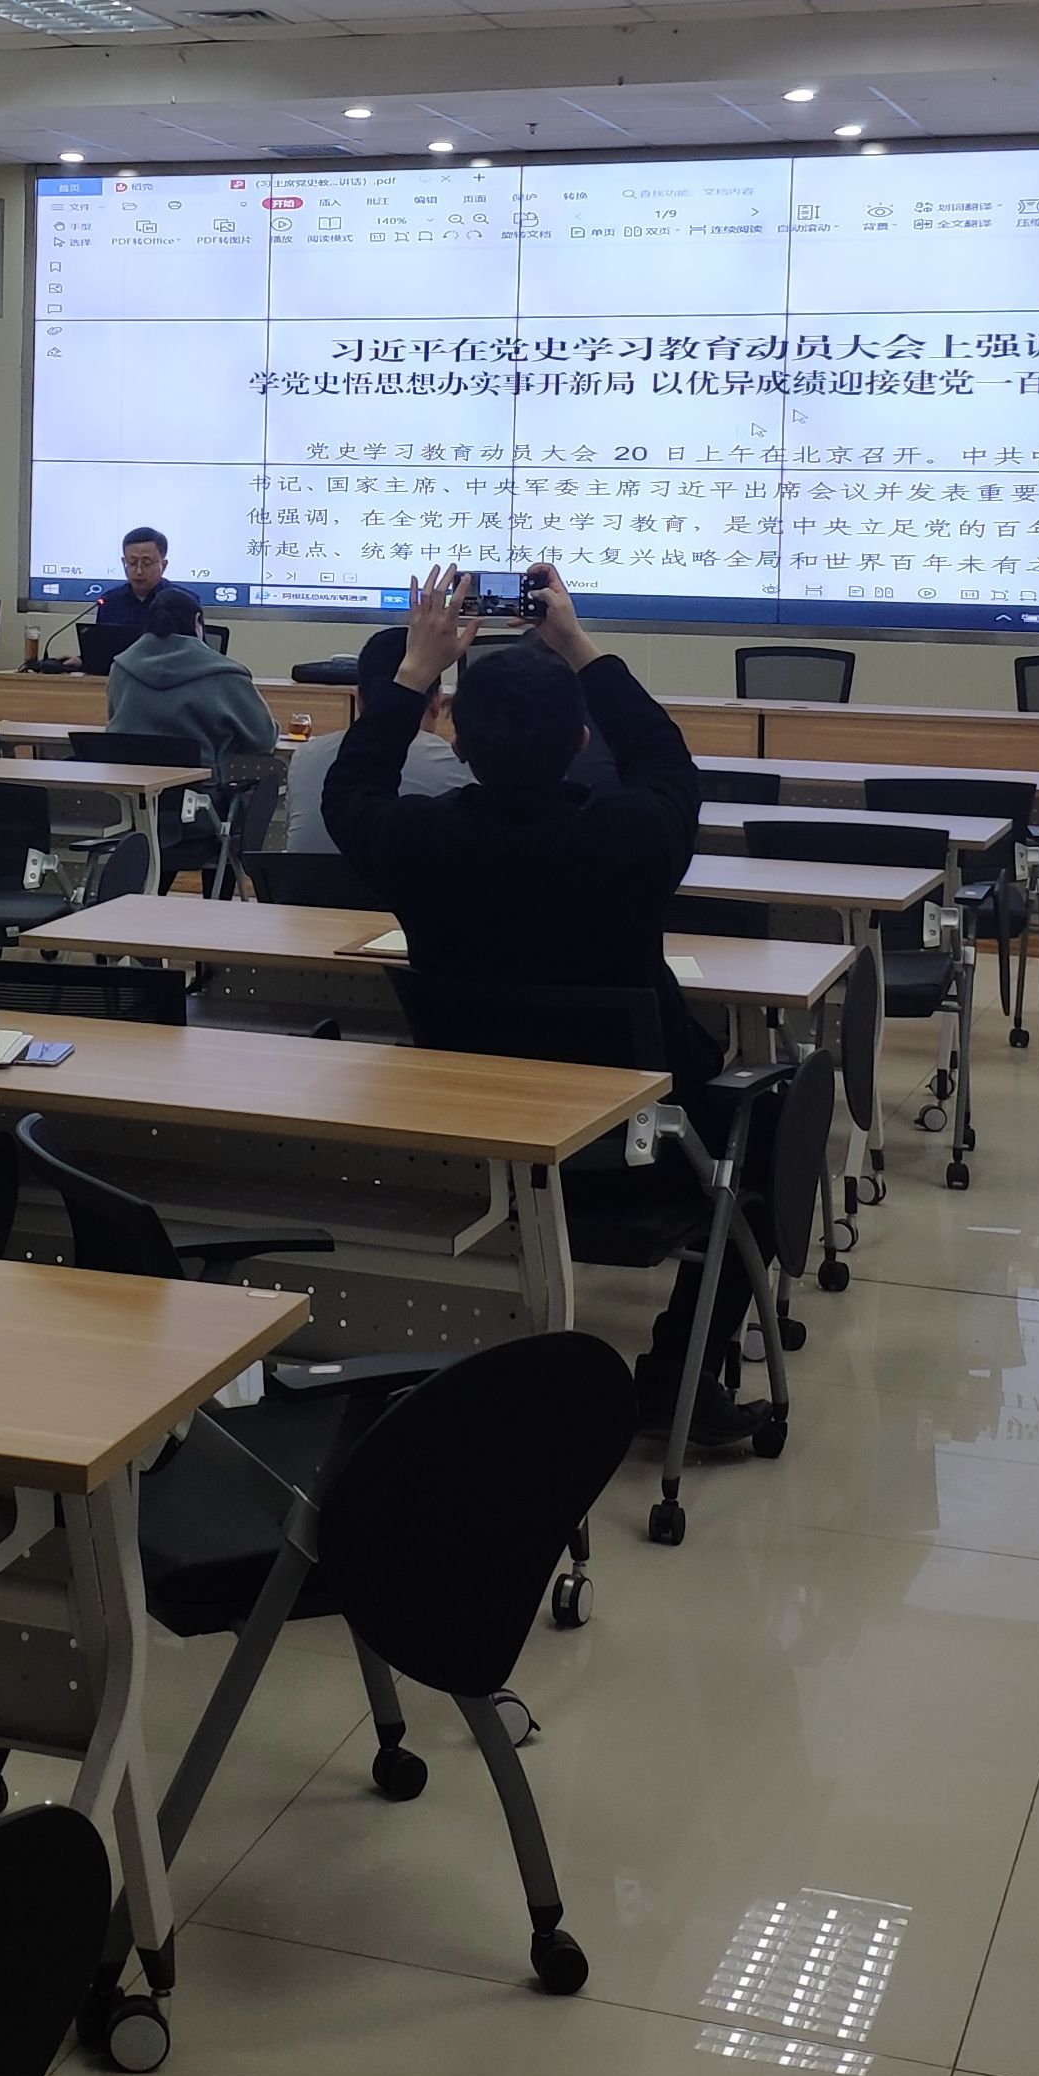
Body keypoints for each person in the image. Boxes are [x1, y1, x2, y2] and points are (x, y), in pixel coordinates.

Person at [330, 563, 752, 1436]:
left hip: (471, 1145)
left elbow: (351, 789)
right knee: (770, 1125)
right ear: (581, 741)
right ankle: (680, 1373)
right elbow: (665, 758)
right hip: (640, 1156)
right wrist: (578, 643)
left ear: (458, 744)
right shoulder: (632, 836)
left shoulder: (417, 841)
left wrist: (415, 671)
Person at [279, 625, 467, 852]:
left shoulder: (305, 757)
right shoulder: (458, 766)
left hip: (306, 877)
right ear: (437, 703)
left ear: (359, 700)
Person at [102, 587, 276, 760]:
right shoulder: (225, 674)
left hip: (126, 774)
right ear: (197, 620)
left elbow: (114, 717)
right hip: (198, 777)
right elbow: (263, 740)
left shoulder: (121, 667)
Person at [84, 527, 176, 659]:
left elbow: (195, 655)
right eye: (132, 563)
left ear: (164, 565)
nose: (138, 571)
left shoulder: (182, 603)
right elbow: (101, 650)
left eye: (146, 563)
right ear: (124, 562)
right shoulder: (110, 601)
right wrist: (82, 660)